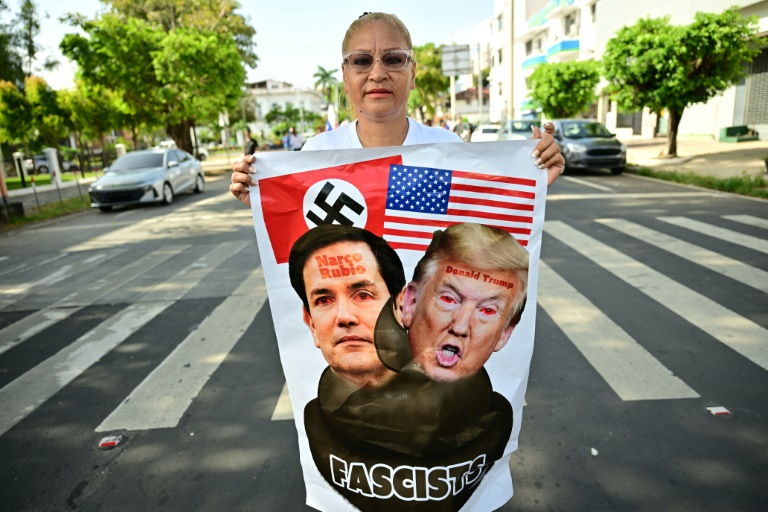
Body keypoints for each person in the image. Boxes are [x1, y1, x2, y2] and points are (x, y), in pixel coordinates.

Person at [228, 11, 565, 206]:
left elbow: (480, 218)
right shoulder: (317, 153)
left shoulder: (449, 150)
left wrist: (533, 178)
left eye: (393, 59)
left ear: (412, 73)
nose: (377, 73)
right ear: (345, 77)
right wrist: (262, 201)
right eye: (361, 61)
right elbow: (299, 236)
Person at [400, 223, 528, 382]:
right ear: (411, 303)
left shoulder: (499, 407)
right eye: (448, 299)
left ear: (504, 333)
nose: (460, 327)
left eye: (488, 311)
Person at [288, 224, 406, 388]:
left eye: (363, 296)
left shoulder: (451, 403)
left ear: (403, 308)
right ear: (312, 324)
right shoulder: (312, 413)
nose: (344, 316)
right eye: (324, 300)